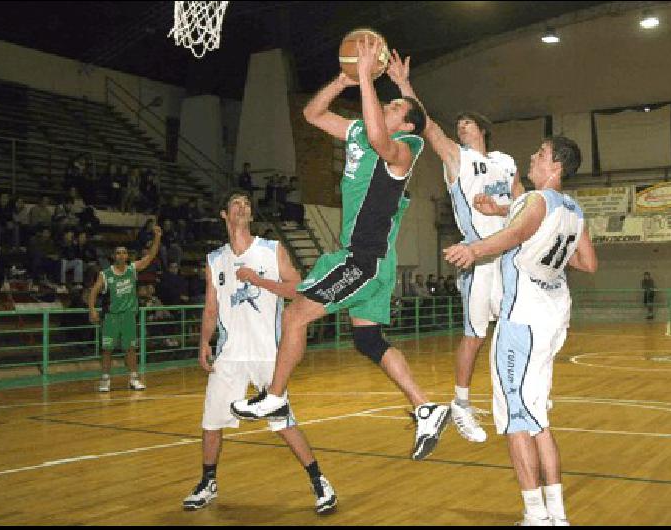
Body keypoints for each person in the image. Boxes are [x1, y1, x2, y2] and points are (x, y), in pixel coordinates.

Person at [230, 37, 450, 461]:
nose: (387, 107)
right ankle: (425, 408)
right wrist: (344, 77)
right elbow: (312, 113)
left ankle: (275, 396)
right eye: (385, 104)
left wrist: (367, 78)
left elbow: (387, 133)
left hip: (362, 259)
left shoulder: (403, 150)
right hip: (368, 260)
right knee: (368, 341)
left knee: (296, 315)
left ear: (405, 126)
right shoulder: (357, 131)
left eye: (395, 109)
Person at [444, 136, 597, 526]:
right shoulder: (573, 210)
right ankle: (556, 516)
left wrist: (474, 250)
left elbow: (517, 233)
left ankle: (534, 516)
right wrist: (543, 251)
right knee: (538, 420)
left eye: (541, 154)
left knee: (516, 420)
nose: (533, 156)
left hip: (522, 320)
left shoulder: (536, 200)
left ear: (556, 167)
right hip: (552, 317)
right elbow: (587, 262)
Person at [389, 49, 524, 444]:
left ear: (482, 129)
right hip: (478, 258)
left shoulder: (505, 161)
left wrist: (499, 206)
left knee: (514, 328)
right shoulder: (458, 160)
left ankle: (510, 394)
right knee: (475, 334)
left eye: (467, 124)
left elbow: (523, 202)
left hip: (509, 255)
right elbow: (428, 127)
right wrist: (403, 84)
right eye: (459, 125)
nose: (461, 128)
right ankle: (461, 404)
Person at [183, 190, 337, 514]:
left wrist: (258, 280)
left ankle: (319, 481)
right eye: (235, 204)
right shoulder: (215, 260)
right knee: (211, 421)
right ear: (225, 215)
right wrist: (203, 343)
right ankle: (207, 482)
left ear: (251, 216)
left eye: (246, 205)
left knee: (283, 422)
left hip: (269, 353)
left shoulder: (271, 250)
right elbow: (211, 308)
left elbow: (299, 288)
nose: (241, 208)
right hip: (229, 355)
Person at [88, 224, 162, 392]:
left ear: (127, 256)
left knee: (130, 349)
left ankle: (133, 378)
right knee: (107, 350)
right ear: (113, 256)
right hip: (111, 317)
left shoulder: (132, 269)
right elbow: (93, 292)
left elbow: (150, 257)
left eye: (124, 252)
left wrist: (157, 238)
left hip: (128, 316)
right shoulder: (105, 274)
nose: (121, 255)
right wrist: (92, 309)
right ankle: (105, 379)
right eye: (118, 253)